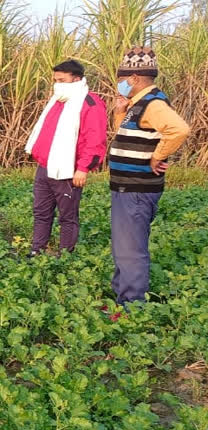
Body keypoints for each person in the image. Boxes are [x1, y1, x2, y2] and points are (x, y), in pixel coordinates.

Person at [108, 47, 190, 305]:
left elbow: (179, 129)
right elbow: (123, 133)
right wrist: (120, 110)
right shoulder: (137, 103)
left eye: (122, 79)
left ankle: (131, 306)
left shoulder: (153, 103)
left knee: (130, 250)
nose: (119, 84)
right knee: (123, 247)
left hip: (135, 190)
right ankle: (120, 294)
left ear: (133, 78)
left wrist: (157, 156)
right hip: (126, 188)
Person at [25, 59, 107, 256]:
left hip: (68, 169)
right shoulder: (58, 99)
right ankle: (37, 250)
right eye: (55, 80)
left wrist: (83, 168)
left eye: (62, 80)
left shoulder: (90, 103)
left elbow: (95, 139)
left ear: (76, 79)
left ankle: (65, 256)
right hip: (45, 166)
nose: (57, 84)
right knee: (41, 212)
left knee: (67, 216)